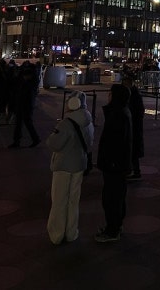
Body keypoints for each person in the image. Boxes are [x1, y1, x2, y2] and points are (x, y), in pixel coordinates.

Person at [46, 91, 94, 245]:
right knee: (74, 200)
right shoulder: (88, 120)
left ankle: (57, 234)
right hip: (79, 164)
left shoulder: (66, 123)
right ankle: (72, 232)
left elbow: (54, 144)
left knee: (59, 200)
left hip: (63, 165)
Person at [95, 83, 133, 243]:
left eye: (110, 93)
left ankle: (113, 230)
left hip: (114, 165)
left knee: (112, 198)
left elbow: (115, 142)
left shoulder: (118, 115)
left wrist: (110, 162)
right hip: (118, 164)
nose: (108, 96)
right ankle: (115, 225)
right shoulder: (121, 112)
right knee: (116, 197)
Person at [8, 62, 41, 148]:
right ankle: (19, 141)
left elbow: (25, 94)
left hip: (25, 105)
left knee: (25, 123)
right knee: (22, 123)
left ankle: (34, 139)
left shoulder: (29, 83)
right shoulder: (30, 81)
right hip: (24, 105)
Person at [122, 75, 146, 181]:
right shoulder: (133, 94)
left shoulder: (133, 95)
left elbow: (139, 111)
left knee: (133, 150)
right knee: (132, 150)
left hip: (134, 126)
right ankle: (133, 170)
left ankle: (135, 171)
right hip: (134, 126)